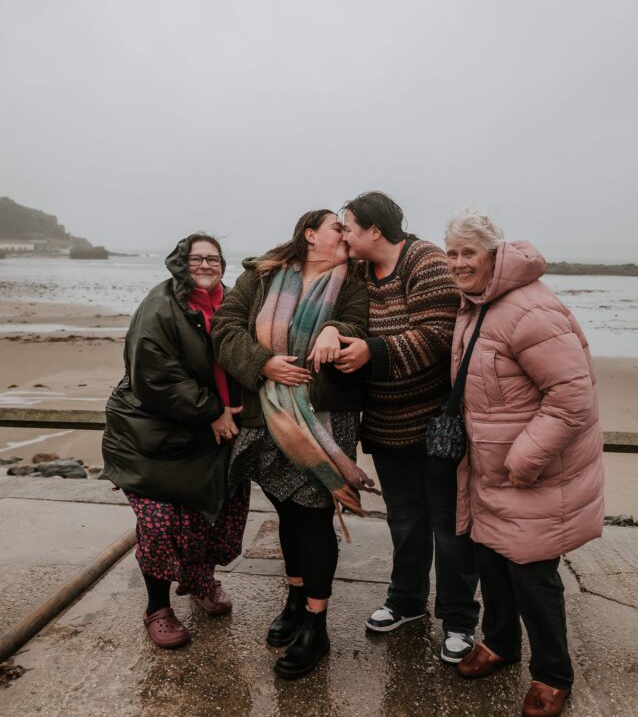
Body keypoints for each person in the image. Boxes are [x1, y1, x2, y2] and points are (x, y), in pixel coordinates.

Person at [444, 208, 604, 717]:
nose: (458, 262)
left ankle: (553, 674)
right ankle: (500, 643)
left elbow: (572, 396)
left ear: (495, 254)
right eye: (451, 253)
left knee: (533, 577)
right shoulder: (476, 304)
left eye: (468, 252)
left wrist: (523, 459)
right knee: (491, 562)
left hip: (530, 471)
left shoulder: (529, 308)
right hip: (488, 468)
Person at [211, 209, 373, 680]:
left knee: (315, 516)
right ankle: (295, 597)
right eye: (338, 228)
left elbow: (359, 329)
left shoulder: (352, 282)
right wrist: (264, 363)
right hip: (267, 413)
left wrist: (333, 330)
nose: (347, 234)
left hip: (324, 418)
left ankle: (316, 624)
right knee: (286, 508)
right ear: (310, 235)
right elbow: (226, 328)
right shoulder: (262, 276)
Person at [338, 191, 480, 665]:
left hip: (433, 424)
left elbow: (437, 335)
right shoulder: (359, 272)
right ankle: (406, 602)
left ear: (374, 230)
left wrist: (370, 353)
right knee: (404, 521)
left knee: (449, 526)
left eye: (349, 227)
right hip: (384, 423)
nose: (344, 235)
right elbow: (341, 313)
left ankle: (460, 619)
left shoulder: (426, 261)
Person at [101, 234, 248, 649]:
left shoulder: (233, 301)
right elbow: (156, 375)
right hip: (154, 435)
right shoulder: (161, 305)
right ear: (180, 262)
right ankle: (157, 608)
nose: (205, 264)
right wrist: (212, 410)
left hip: (214, 436)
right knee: (161, 525)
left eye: (213, 258)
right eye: (196, 258)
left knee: (210, 518)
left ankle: (201, 583)